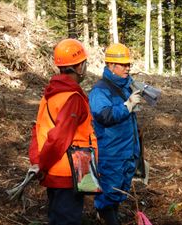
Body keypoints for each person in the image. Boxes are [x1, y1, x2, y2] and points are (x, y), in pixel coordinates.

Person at [28, 38, 97, 225]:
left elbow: (39, 130)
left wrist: (37, 162)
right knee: (66, 219)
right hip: (69, 173)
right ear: (79, 67)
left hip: (58, 170)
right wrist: (41, 165)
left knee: (57, 217)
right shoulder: (72, 98)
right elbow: (59, 139)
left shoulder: (50, 94)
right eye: (84, 63)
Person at [89, 43, 141, 225]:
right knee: (107, 195)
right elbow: (104, 115)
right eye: (123, 65)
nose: (128, 68)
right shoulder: (100, 90)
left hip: (127, 152)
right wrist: (127, 106)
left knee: (119, 192)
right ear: (111, 65)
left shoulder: (125, 86)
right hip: (111, 154)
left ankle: (110, 216)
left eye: (129, 65)